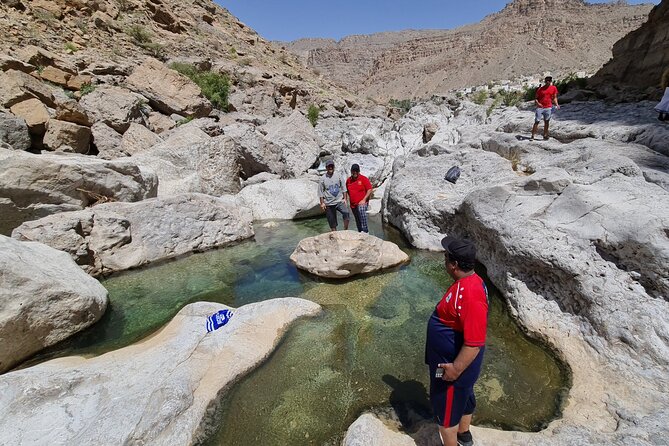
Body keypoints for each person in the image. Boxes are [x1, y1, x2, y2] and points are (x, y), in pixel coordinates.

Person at [425, 237, 489, 446]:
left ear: (453, 265)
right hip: (448, 360)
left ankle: (455, 435)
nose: (444, 261)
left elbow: (474, 342)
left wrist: (455, 369)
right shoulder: (466, 283)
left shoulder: (471, 294)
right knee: (464, 396)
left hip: (452, 368)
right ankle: (464, 434)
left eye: (446, 257)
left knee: (445, 417)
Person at [319, 159, 349, 231]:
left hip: (339, 201)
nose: (330, 168)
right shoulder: (322, 178)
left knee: (346, 213)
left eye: (332, 166)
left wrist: (345, 198)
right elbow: (320, 192)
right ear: (326, 168)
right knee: (332, 223)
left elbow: (344, 187)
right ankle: (335, 235)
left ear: (334, 167)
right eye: (329, 166)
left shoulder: (338, 175)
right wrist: (322, 203)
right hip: (329, 203)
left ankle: (345, 229)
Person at [345, 164, 373, 233]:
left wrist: (364, 200)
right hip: (353, 204)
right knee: (357, 220)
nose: (355, 172)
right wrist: (346, 199)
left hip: (362, 203)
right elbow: (346, 190)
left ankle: (366, 231)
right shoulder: (348, 180)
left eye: (356, 171)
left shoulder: (363, 179)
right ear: (351, 171)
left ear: (359, 171)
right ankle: (360, 232)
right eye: (353, 171)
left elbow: (369, 189)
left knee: (362, 212)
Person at [531, 76, 560, 141]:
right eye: (546, 80)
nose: (548, 82)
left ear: (551, 81)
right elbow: (536, 98)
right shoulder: (540, 89)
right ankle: (532, 135)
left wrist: (557, 104)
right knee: (537, 121)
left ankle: (545, 135)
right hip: (540, 107)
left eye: (549, 80)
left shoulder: (553, 88)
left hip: (548, 107)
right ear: (545, 81)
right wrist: (538, 103)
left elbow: (554, 97)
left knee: (546, 121)